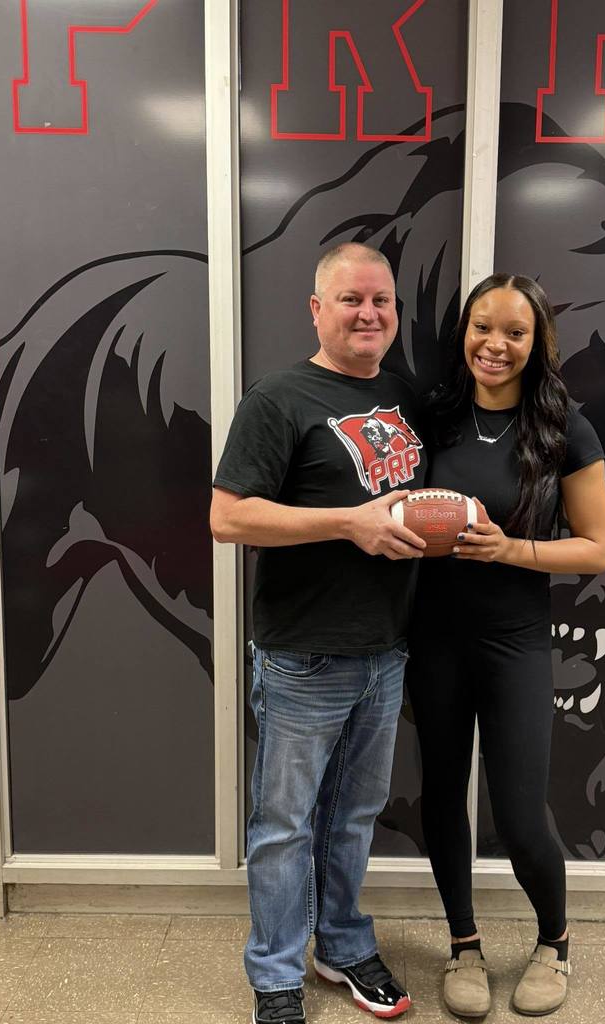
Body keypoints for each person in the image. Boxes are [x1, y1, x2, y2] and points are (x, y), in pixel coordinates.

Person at [210, 243, 426, 1024]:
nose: (369, 314)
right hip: (305, 655)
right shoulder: (279, 398)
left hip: (387, 650)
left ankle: (339, 943)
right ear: (317, 309)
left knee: (354, 817)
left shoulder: (401, 393)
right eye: (351, 300)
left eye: (382, 301)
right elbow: (227, 516)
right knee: (283, 827)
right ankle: (274, 976)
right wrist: (348, 524)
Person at [406, 273, 605, 1017]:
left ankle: (554, 942)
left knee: (522, 816)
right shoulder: (434, 416)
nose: (494, 344)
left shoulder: (564, 428)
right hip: (433, 638)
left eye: (514, 332)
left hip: (514, 642)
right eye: (481, 327)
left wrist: (511, 551)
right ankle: (463, 946)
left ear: (536, 342)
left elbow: (596, 549)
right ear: (464, 333)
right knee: (441, 798)